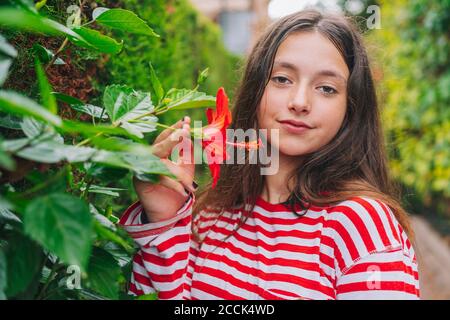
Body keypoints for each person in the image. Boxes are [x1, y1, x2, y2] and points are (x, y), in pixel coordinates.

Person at [119, 9, 420, 300]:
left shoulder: (361, 225)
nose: (300, 102)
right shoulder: (211, 215)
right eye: (282, 79)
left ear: (351, 108)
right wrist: (164, 217)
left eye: (327, 88)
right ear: (255, 89)